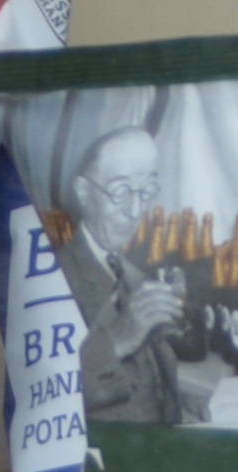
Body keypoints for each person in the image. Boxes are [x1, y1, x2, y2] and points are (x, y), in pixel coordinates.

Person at [50, 125, 212, 430]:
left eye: (146, 191)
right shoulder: (53, 279)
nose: (136, 210)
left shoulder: (136, 276)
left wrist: (183, 407)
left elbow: (146, 383)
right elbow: (45, 399)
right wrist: (119, 340)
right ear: (84, 192)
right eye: (121, 192)